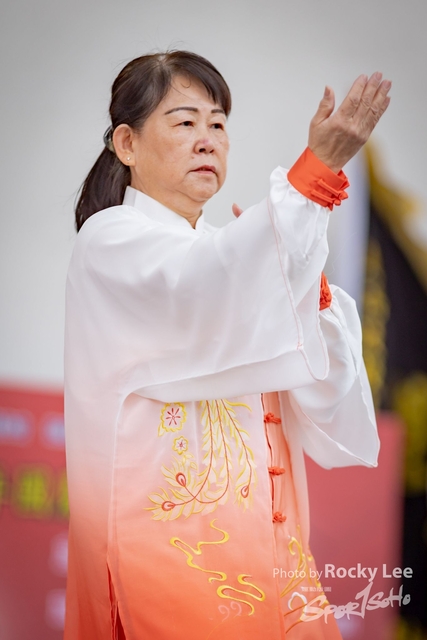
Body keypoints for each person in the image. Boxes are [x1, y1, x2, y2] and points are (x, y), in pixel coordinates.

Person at [64, 50, 391, 639]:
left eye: (218, 124)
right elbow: (202, 285)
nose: (207, 139)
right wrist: (313, 178)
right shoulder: (110, 242)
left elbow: (327, 405)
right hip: (170, 568)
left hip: (280, 567)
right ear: (127, 144)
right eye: (185, 122)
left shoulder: (231, 253)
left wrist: (300, 279)